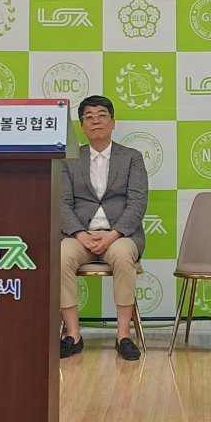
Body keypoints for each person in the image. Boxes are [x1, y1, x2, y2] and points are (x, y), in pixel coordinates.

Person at [60, 95, 148, 362]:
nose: (96, 121)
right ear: (82, 126)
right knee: (60, 256)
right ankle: (73, 335)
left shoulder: (131, 158)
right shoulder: (68, 159)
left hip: (119, 234)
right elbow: (61, 203)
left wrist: (113, 235)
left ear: (113, 122)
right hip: (79, 234)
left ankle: (123, 336)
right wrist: (80, 234)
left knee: (122, 256)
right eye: (89, 117)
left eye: (102, 115)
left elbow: (137, 202)